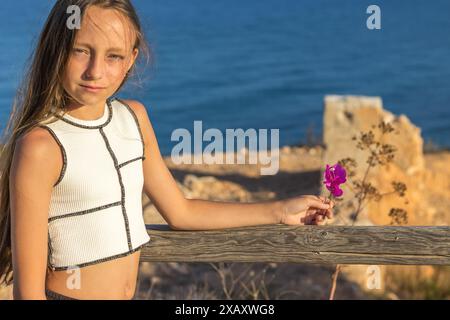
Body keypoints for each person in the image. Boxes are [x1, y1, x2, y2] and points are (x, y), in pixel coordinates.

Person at [0, 0, 334, 300]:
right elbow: (27, 293)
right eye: (80, 50)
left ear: (131, 59)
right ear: (56, 48)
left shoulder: (134, 118)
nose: (95, 71)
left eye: (113, 55)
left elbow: (181, 211)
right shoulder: (41, 145)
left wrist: (278, 211)